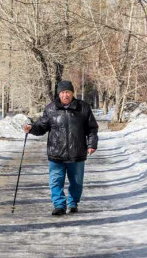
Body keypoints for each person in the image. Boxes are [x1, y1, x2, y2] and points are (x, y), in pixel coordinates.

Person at [23, 80, 98, 216]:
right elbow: (41, 126)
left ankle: (73, 203)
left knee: (77, 182)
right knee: (56, 182)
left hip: (77, 153)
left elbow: (92, 129)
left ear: (72, 93)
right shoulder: (51, 109)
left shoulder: (83, 108)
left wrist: (92, 144)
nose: (65, 95)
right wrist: (32, 128)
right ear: (59, 94)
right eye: (63, 92)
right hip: (56, 153)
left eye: (68, 92)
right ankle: (59, 205)